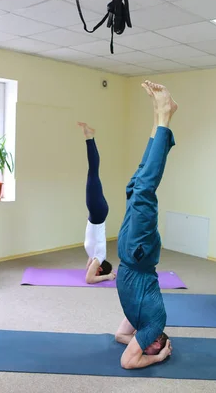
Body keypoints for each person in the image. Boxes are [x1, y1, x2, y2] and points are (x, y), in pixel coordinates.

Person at [113, 80, 176, 369]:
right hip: (140, 254)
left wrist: (141, 345)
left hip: (129, 254)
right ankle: (165, 115)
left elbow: (120, 337)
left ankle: (157, 120)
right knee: (145, 190)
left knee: (135, 184)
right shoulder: (154, 323)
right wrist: (159, 357)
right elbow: (128, 362)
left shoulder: (139, 323)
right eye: (153, 346)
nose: (145, 346)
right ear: (159, 339)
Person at [78, 122, 116, 284]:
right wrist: (108, 276)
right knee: (93, 172)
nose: (91, 268)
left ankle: (90, 136)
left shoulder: (94, 256)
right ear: (99, 268)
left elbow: (88, 271)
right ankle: (89, 136)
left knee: (93, 173)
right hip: (97, 212)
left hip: (96, 213)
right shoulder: (99, 256)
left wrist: (100, 269)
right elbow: (89, 279)